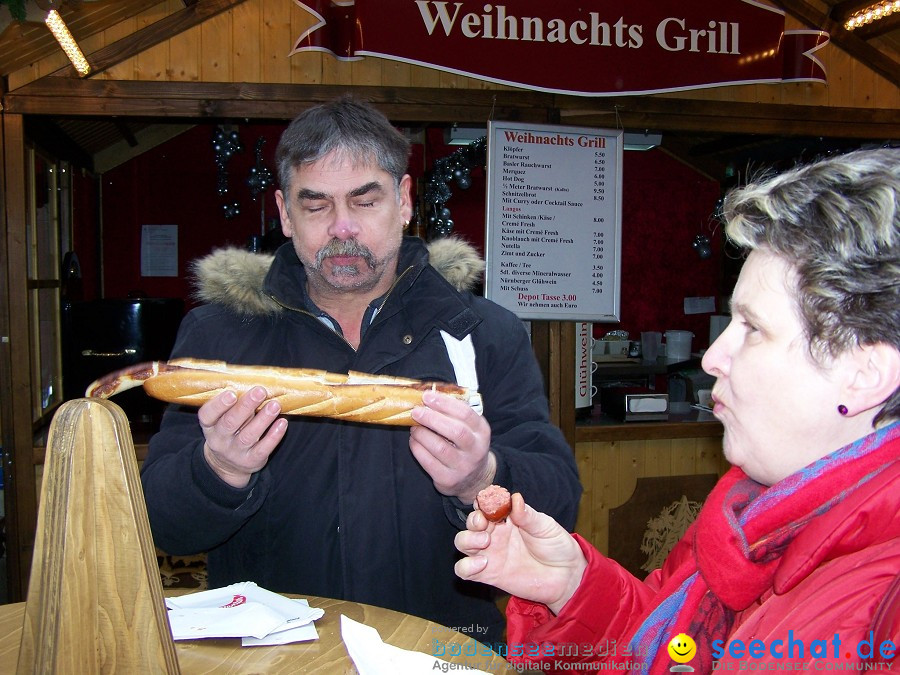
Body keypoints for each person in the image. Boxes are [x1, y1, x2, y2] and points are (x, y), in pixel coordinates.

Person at [140, 96, 581, 644]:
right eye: (316, 204)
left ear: (402, 201)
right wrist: (219, 471)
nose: (343, 227)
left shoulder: (484, 333)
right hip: (272, 655)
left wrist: (481, 479)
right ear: (284, 213)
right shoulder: (217, 336)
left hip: (442, 643)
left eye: (364, 201)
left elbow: (561, 502)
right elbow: (164, 525)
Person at [455, 147, 900, 672]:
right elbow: (676, 653)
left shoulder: (883, 609)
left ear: (865, 373)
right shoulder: (746, 512)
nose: (712, 356)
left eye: (753, 328)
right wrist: (571, 586)